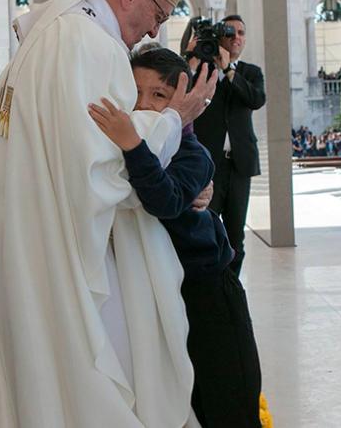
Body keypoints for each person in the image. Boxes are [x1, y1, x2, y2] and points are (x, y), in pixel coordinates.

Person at [0, 0, 216, 427]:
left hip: (22, 226)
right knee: (87, 375)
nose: (158, 28)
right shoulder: (92, 46)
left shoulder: (61, 29)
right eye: (160, 10)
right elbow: (102, 171)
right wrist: (173, 118)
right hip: (55, 240)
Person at [89, 48, 262, 428]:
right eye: (134, 93)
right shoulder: (107, 153)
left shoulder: (192, 154)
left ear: (183, 103)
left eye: (159, 96)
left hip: (206, 289)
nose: (144, 105)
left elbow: (163, 200)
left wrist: (135, 145)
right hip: (155, 296)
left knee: (227, 398)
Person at [189, 15, 267, 276]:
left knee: (236, 237)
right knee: (204, 230)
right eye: (230, 32)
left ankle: (232, 288)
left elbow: (255, 99)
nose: (236, 37)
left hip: (239, 166)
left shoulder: (250, 72)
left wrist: (229, 71)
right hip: (208, 166)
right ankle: (209, 289)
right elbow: (184, 96)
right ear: (220, 36)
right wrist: (191, 59)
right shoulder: (202, 72)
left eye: (241, 33)